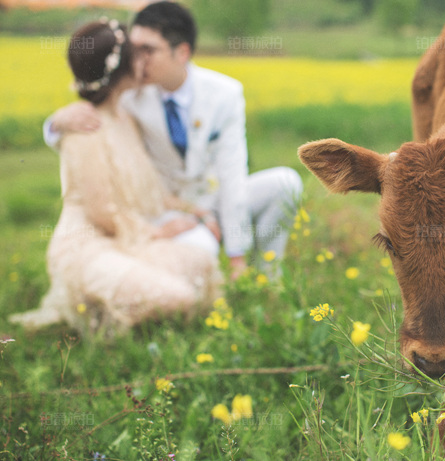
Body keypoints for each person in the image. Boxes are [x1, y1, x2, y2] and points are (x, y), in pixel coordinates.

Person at [44, 1, 303, 281]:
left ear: (182, 52)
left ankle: (268, 277)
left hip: (207, 200)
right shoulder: (128, 93)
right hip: (159, 211)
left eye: (148, 50)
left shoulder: (225, 94)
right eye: (134, 49)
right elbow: (91, 130)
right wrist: (56, 123)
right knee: (198, 249)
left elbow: (232, 175)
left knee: (285, 183)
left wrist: (236, 256)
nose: (137, 59)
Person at [11, 19, 222, 334]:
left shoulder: (126, 117)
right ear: (124, 67)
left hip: (126, 240)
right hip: (89, 245)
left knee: (201, 262)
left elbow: (147, 188)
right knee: (177, 294)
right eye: (139, 54)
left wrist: (195, 212)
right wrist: (162, 232)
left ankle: (128, 310)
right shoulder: (83, 126)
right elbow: (101, 214)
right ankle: (98, 321)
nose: (145, 61)